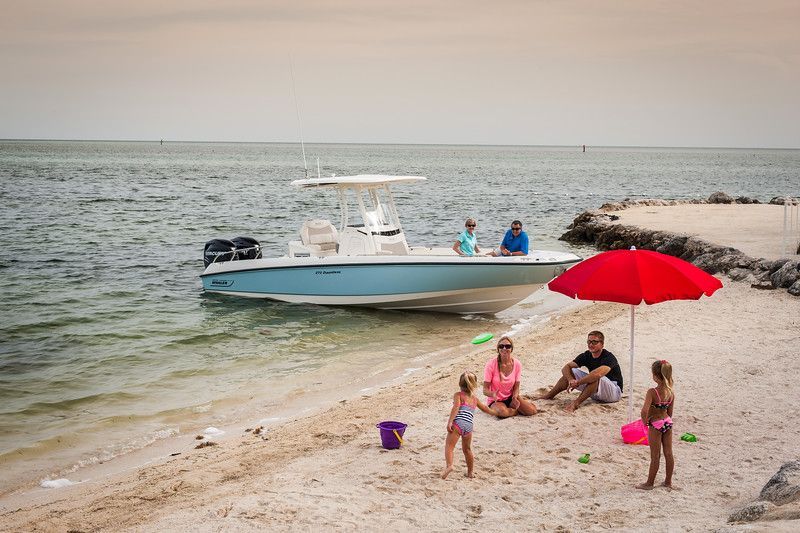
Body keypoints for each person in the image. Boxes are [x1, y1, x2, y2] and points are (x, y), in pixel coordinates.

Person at [534, 330, 623, 412]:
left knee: (594, 377)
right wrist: (571, 380)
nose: (591, 344)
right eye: (589, 342)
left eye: (594, 342)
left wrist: (578, 382)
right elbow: (566, 367)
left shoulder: (609, 357)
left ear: (602, 344)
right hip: (596, 392)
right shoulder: (586, 355)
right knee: (572, 371)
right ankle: (549, 395)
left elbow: (598, 374)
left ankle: (575, 404)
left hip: (614, 393)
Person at [442, 371, 493, 479]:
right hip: (469, 426)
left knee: (449, 446)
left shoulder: (458, 395)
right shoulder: (475, 399)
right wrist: (495, 412)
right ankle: (470, 473)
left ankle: (449, 466)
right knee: (467, 450)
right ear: (473, 385)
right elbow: (485, 409)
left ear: (460, 384)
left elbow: (456, 407)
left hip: (458, 423)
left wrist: (450, 422)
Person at [636, 360, 678, 490]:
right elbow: (670, 413)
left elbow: (644, 411)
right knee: (668, 453)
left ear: (655, 375)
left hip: (656, 424)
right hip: (667, 422)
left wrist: (646, 422)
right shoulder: (671, 393)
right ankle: (668, 481)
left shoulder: (652, 392)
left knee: (655, 455)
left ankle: (649, 483)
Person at [483, 336, 538, 418]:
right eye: (501, 346)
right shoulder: (490, 364)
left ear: (511, 349)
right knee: (502, 413)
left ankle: (517, 406)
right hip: (496, 401)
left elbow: (516, 387)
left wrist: (515, 397)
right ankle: (515, 411)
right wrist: (492, 393)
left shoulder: (517, 364)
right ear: (498, 349)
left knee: (532, 411)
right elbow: (485, 390)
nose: (504, 348)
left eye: (508, 346)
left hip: (511, 398)